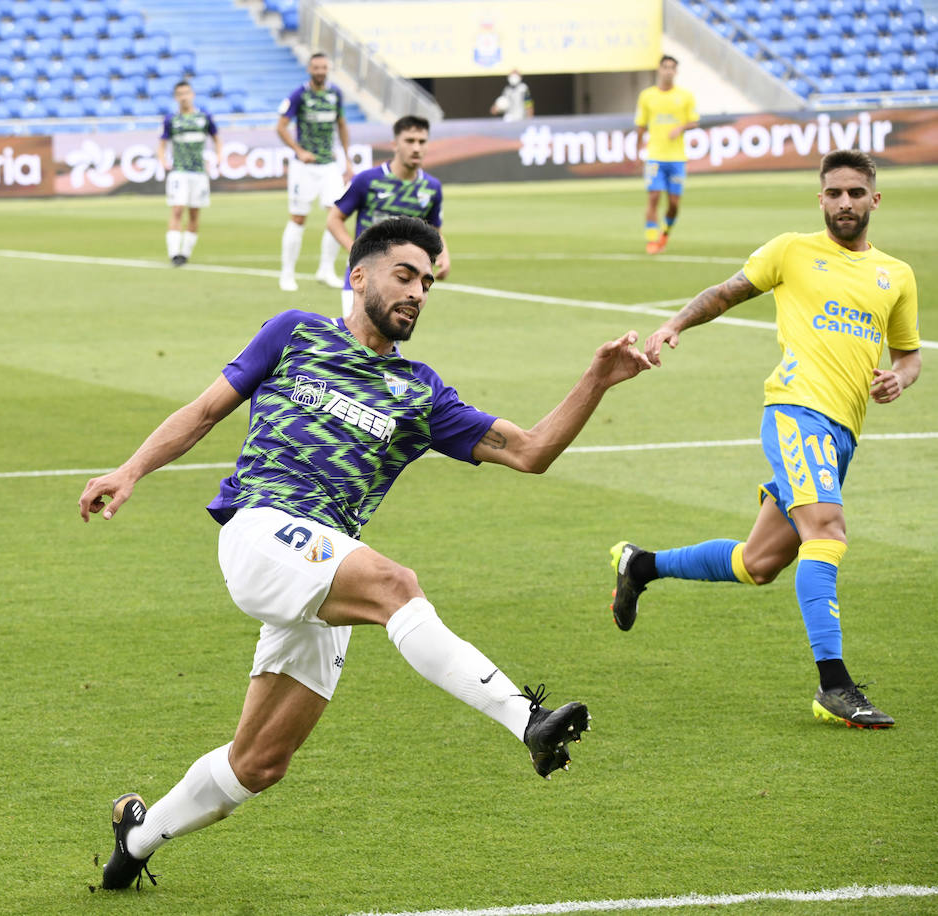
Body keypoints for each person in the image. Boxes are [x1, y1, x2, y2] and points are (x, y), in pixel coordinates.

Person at [80, 216, 654, 890]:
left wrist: (597, 378)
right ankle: (525, 719)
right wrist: (130, 470)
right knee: (394, 584)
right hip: (261, 530)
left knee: (259, 763)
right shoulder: (297, 332)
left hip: (323, 561)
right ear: (360, 276)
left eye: (428, 283)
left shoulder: (420, 392)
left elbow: (529, 451)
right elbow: (205, 411)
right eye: (405, 275)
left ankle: (137, 838)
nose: (417, 292)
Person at [608, 149, 921, 729]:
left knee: (759, 563)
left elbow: (908, 355)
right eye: (834, 193)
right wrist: (675, 322)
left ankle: (641, 566)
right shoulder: (792, 250)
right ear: (820, 199)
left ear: (874, 199)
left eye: (856, 193)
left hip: (843, 431)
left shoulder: (895, 276)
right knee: (826, 531)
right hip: (797, 411)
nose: (845, 203)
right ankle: (835, 685)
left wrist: (896, 379)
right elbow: (726, 292)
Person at [326, 115, 449, 318]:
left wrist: (444, 255)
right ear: (395, 145)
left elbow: (434, 230)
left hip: (405, 282)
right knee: (359, 343)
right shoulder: (367, 180)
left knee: (388, 345)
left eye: (421, 141)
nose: (416, 148)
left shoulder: (431, 187)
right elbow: (334, 219)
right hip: (363, 277)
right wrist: (357, 251)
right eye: (409, 141)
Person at [276, 52, 354, 292]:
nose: (320, 71)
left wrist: (347, 160)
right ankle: (287, 274)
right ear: (309, 69)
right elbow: (281, 126)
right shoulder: (300, 95)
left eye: (323, 67)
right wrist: (298, 150)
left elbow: (341, 125)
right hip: (304, 168)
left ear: (327, 69)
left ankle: (326, 269)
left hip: (329, 165)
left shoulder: (335, 94)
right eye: (316, 67)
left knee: (336, 216)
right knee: (298, 218)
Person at [634, 55, 698, 255]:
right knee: (653, 197)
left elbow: (694, 121)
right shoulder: (647, 96)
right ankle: (651, 240)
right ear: (659, 70)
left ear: (676, 72)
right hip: (655, 155)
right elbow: (641, 126)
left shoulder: (685, 96)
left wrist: (680, 127)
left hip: (677, 157)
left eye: (672, 68)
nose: (668, 71)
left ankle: (665, 233)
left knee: (674, 204)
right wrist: (638, 152)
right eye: (665, 67)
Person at [158, 80, 223, 267]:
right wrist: (162, 160)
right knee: (177, 208)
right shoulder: (172, 119)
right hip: (179, 170)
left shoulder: (204, 118)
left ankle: (185, 253)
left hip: (199, 172)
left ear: (192, 94)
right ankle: (174, 254)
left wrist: (219, 156)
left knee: (194, 213)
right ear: (176, 97)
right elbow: (162, 144)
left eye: (187, 93)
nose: (184, 97)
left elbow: (217, 138)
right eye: (180, 94)